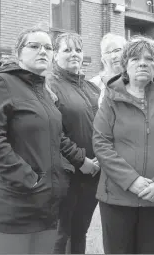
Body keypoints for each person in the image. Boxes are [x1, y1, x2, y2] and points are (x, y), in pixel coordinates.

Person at [0, 27, 91, 254]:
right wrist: (30, 180)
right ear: (19, 53)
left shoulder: (43, 91)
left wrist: (80, 161)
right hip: (9, 208)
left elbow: (57, 137)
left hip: (45, 209)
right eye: (34, 46)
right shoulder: (2, 82)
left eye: (48, 47)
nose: (43, 51)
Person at [92, 36, 154, 254]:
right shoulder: (111, 97)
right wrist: (131, 181)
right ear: (125, 65)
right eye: (135, 58)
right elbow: (101, 142)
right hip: (116, 197)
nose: (143, 63)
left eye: (150, 59)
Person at [47, 32, 101, 254]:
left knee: (80, 231)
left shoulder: (92, 88)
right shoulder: (49, 85)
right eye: (67, 50)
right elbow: (53, 132)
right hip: (67, 173)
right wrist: (81, 161)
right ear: (55, 55)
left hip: (93, 173)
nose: (74, 54)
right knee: (61, 234)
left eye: (78, 50)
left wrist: (100, 158)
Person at [90, 33, 126, 106]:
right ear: (103, 59)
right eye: (108, 52)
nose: (113, 56)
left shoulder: (136, 80)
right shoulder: (94, 85)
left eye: (117, 50)